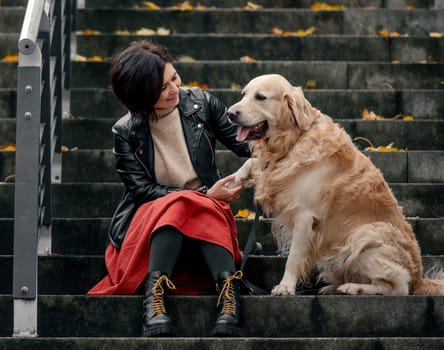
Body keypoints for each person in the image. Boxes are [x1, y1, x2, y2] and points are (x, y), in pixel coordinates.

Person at [87, 40, 251, 338]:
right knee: (179, 205)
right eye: (162, 88)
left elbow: (248, 147)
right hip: (154, 225)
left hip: (205, 222)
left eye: (174, 77)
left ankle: (229, 300)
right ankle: (155, 300)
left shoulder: (202, 104)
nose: (175, 89)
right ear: (140, 96)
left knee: (196, 206)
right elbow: (143, 192)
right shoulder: (125, 131)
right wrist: (203, 196)